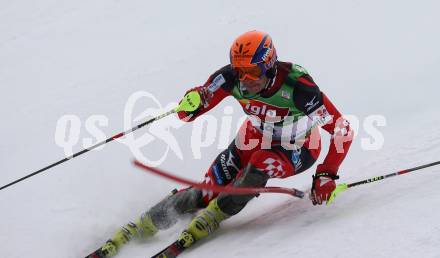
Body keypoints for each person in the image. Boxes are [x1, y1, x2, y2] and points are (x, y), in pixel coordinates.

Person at [86, 30, 353, 258]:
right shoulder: (230, 78)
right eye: (241, 72)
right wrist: (192, 102)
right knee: (205, 192)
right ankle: (146, 223)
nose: (246, 80)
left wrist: (327, 174)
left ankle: (216, 214)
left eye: (252, 72)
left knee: (258, 165)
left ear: (269, 66)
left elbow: (342, 130)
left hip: (298, 148)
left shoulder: (299, 87)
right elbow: (186, 113)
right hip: (252, 139)